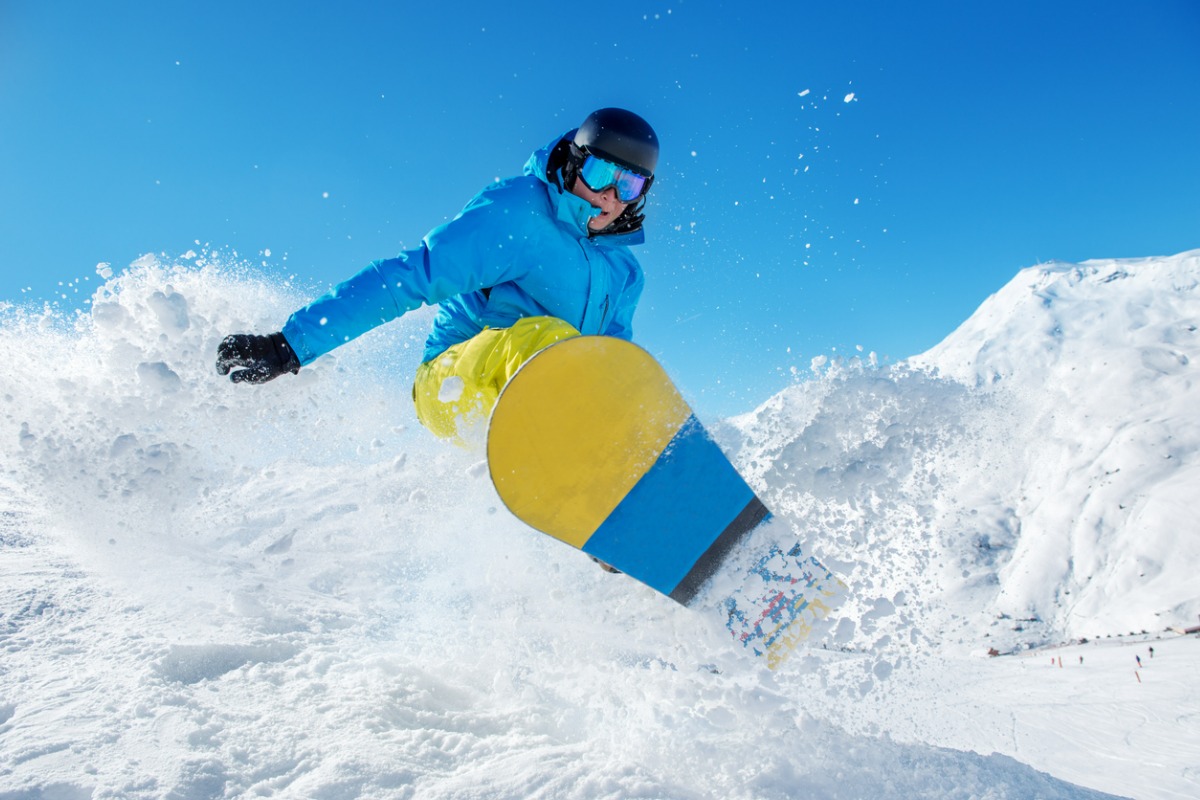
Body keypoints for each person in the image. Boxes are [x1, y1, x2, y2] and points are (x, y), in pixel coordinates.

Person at [216, 108, 659, 443]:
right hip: (450, 384)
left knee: (624, 380)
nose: (609, 197)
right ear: (574, 162)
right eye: (601, 173)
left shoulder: (623, 271)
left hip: (543, 409)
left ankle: (623, 512)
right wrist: (290, 345)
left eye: (630, 185)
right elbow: (413, 275)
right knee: (549, 343)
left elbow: (611, 362)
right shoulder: (518, 214)